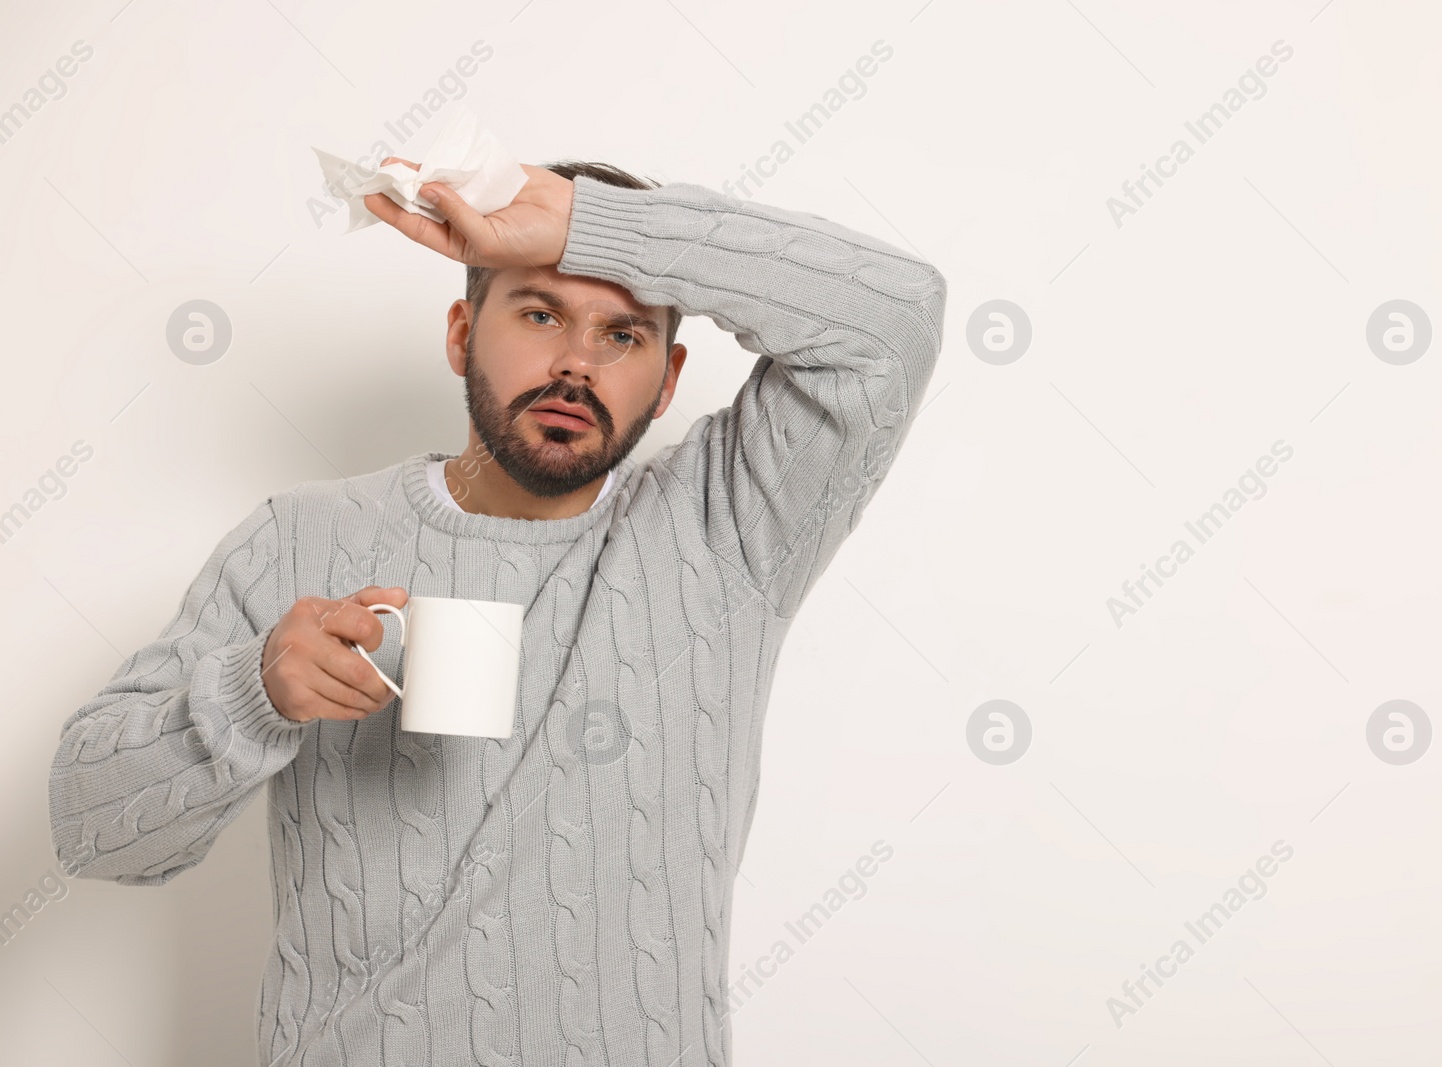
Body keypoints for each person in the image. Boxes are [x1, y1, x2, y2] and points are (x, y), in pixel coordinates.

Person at [47, 153, 947, 1067]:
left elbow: (898, 316)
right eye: (540, 312)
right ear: (460, 333)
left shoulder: (729, 528)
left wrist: (591, 228)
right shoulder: (297, 541)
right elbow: (91, 830)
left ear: (669, 381)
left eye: (623, 334)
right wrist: (254, 697)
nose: (575, 363)